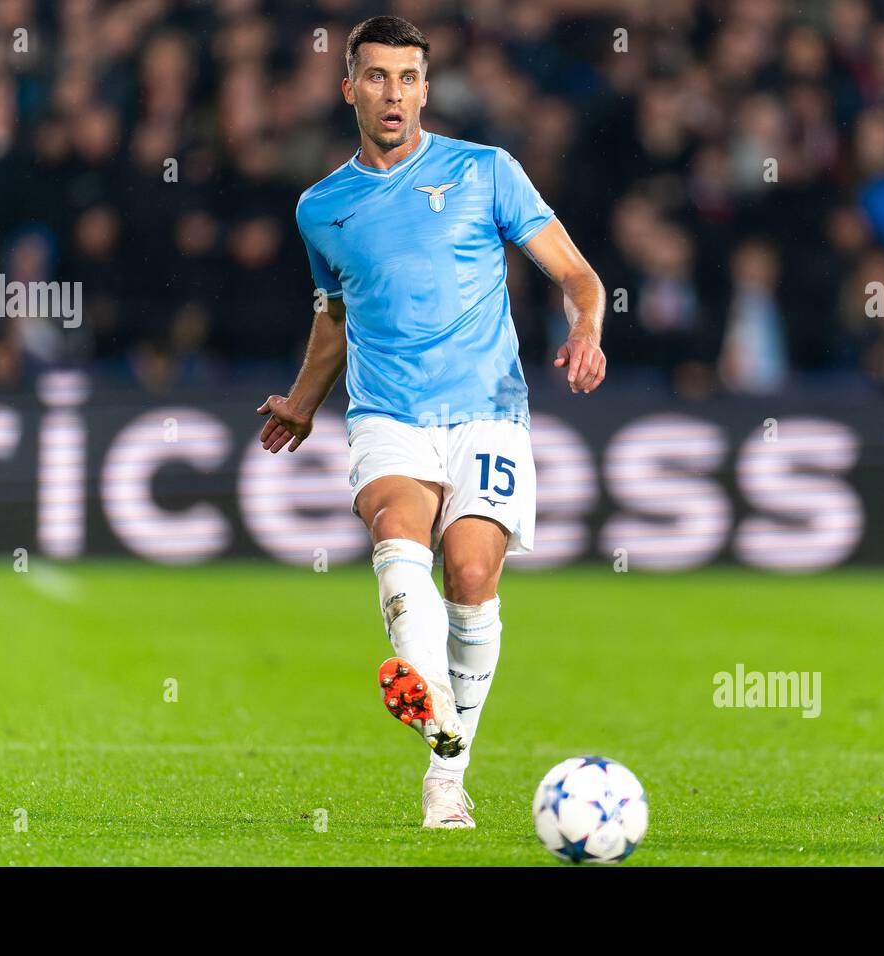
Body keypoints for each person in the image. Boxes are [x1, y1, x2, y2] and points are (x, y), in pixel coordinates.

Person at [257, 16, 606, 828]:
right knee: (395, 527)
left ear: (426, 87)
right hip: (387, 412)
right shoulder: (321, 209)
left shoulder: (487, 172)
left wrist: (586, 327)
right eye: (376, 77)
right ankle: (436, 716)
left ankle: (447, 771)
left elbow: (578, 273)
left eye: (408, 78)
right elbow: (335, 316)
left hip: (487, 411)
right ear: (349, 88)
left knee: (472, 579)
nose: (393, 94)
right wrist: (304, 401)